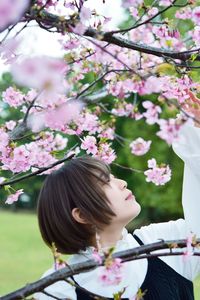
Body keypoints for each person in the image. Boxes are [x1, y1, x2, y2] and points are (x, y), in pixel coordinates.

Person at [35, 114, 200, 299]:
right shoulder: (58, 290)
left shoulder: (162, 243)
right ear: (81, 214)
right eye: (105, 182)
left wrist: (190, 128)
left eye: (113, 177)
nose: (122, 183)